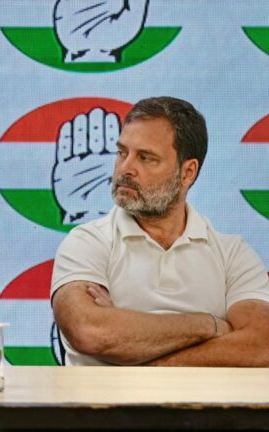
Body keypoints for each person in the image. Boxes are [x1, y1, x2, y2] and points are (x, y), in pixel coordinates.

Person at [51, 96, 269, 366]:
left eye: (146, 158)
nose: (125, 169)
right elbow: (90, 332)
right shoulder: (86, 242)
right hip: (105, 398)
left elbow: (261, 346)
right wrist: (208, 325)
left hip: (197, 398)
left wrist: (141, 353)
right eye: (122, 153)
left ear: (187, 173)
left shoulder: (232, 254)